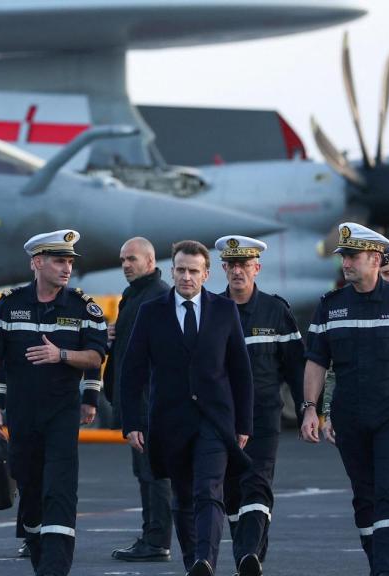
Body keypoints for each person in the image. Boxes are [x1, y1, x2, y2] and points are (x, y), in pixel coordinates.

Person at [300, 223, 389, 576]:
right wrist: (310, 409)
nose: (345, 263)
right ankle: (380, 564)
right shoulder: (330, 307)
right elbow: (316, 362)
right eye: (344, 256)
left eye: (352, 256)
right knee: (365, 498)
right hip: (351, 416)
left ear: (375, 259)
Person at [0, 229, 107, 576]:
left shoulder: (83, 307)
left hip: (62, 414)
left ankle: (55, 568)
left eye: (69, 261)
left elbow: (96, 356)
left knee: (60, 490)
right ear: (37, 262)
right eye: (58, 260)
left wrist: (61, 354)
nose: (66, 268)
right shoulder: (8, 304)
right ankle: (37, 546)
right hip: (21, 415)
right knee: (31, 490)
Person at [121, 240, 254, 576]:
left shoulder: (225, 311)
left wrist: (244, 424)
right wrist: (132, 422)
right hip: (170, 422)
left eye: (193, 271)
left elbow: (240, 371)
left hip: (215, 420)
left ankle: (204, 560)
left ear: (206, 275)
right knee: (182, 496)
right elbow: (132, 368)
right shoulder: (151, 312)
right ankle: (192, 560)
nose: (186, 277)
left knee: (209, 489)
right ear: (172, 271)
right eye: (180, 270)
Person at [215, 235, 305, 576]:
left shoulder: (276, 311)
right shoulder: (211, 310)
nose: (238, 271)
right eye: (232, 265)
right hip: (222, 417)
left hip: (263, 415)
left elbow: (296, 367)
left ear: (257, 267)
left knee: (257, 483)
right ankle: (248, 555)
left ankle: (248, 553)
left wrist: (307, 409)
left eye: (245, 265)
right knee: (231, 490)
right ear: (223, 268)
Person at [104, 237, 174, 563]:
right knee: (145, 472)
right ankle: (152, 536)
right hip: (138, 401)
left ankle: (157, 540)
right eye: (122, 260)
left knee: (153, 472)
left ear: (149, 261)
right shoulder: (134, 297)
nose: (126, 265)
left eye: (132, 259)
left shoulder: (157, 296)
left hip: (150, 403)